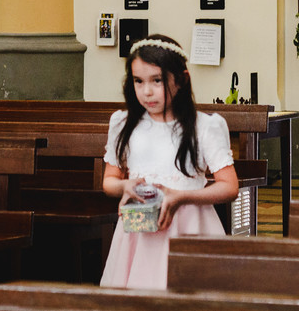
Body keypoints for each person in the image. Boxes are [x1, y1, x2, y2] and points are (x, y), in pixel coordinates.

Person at [100, 36, 239, 289]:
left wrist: (181, 197)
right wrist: (125, 187)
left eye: (157, 80)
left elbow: (229, 187)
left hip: (190, 228)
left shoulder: (204, 127)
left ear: (182, 79)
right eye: (138, 81)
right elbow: (109, 182)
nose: (147, 91)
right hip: (138, 234)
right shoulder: (123, 124)